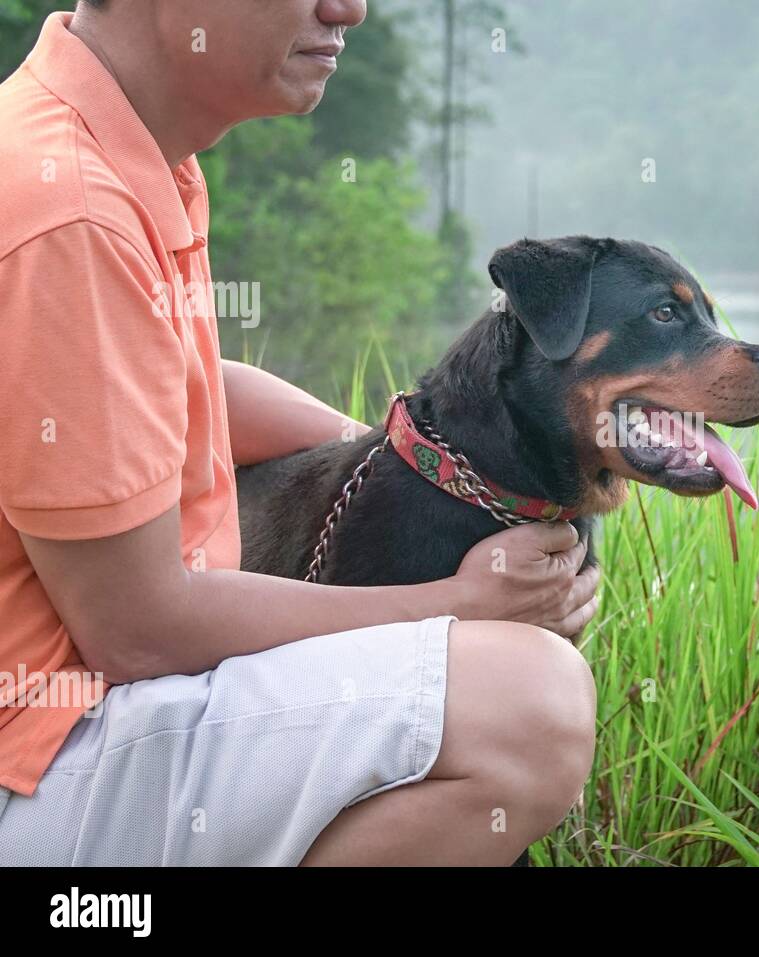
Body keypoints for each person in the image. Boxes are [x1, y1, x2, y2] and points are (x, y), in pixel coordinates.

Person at [0, 1, 599, 866]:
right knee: (527, 707)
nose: (346, 7)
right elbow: (137, 628)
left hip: (73, 720)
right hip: (40, 763)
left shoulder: (116, 149)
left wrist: (413, 465)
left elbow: (195, 391)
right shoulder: (71, 214)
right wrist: (461, 606)